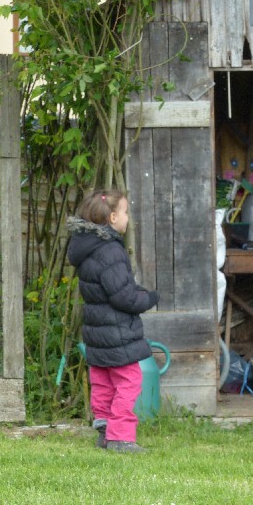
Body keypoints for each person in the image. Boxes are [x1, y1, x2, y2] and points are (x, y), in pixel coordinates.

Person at [67, 189, 159, 454]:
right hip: (116, 331)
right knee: (128, 381)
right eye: (126, 212)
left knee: (103, 380)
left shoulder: (87, 249)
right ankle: (120, 436)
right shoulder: (110, 250)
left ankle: (105, 431)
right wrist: (149, 298)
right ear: (112, 216)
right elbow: (123, 297)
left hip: (96, 332)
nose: (128, 218)